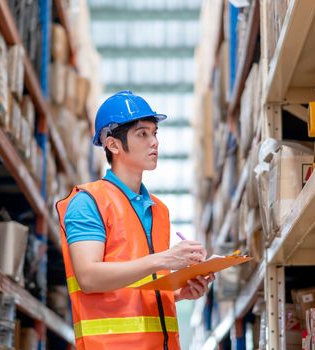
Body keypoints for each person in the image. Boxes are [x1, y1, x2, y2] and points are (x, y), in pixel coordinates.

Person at [56, 91, 214, 350]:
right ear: (113, 144)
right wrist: (166, 259)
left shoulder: (158, 210)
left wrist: (177, 293)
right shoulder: (89, 202)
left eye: (155, 133)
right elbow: (88, 276)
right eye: (142, 134)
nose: (154, 142)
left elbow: (135, 290)